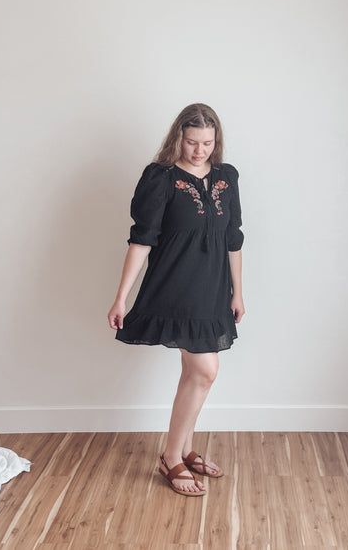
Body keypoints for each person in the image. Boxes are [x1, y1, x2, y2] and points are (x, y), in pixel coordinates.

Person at [108, 103, 245, 496]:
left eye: (207, 143)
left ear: (216, 141)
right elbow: (141, 240)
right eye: (191, 142)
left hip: (213, 288)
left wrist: (238, 291)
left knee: (194, 372)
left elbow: (233, 238)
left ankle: (184, 450)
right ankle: (171, 457)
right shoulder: (161, 178)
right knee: (205, 370)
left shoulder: (226, 178)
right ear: (178, 138)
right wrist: (121, 298)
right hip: (175, 287)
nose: (199, 150)